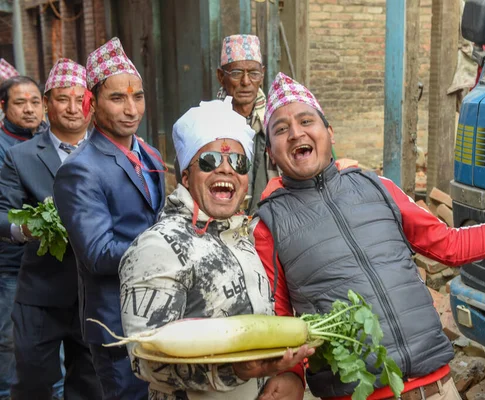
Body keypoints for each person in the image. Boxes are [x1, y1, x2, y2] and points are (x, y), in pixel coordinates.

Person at [252, 73, 485, 400]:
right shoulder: (269, 223)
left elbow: (451, 246)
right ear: (271, 152)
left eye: (306, 121)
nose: (296, 132)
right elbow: (281, 324)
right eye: (281, 129)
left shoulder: (377, 188)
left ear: (329, 132)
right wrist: (288, 375)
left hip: (438, 387)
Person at [119, 97, 312, 400]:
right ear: (186, 176)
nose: (226, 170)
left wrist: (286, 374)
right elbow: (145, 359)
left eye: (238, 162)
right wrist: (234, 371)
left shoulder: (245, 237)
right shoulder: (158, 246)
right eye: (209, 161)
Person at [54, 37, 166, 400]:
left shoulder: (149, 153)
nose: (131, 109)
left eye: (138, 97)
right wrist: (168, 243)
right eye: (117, 98)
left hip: (164, 311)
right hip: (116, 323)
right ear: (92, 102)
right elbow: (99, 253)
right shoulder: (81, 170)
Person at [0, 58, 101, 399]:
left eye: (80, 99)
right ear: (46, 104)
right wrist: (26, 228)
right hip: (41, 291)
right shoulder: (22, 156)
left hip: (95, 294)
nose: (73, 108)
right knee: (34, 383)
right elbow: (3, 214)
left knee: (91, 383)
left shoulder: (108, 152)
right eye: (62, 99)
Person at [0, 74, 46, 399]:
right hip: (10, 264)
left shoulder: (51, 139)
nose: (29, 110)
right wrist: (23, 227)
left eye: (35, 102)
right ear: (3, 107)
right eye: (20, 103)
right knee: (8, 338)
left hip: (47, 263)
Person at [215, 34, 277, 214]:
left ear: (262, 75)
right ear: (221, 76)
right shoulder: (209, 123)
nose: (246, 82)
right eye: (236, 73)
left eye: (254, 73)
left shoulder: (273, 122)